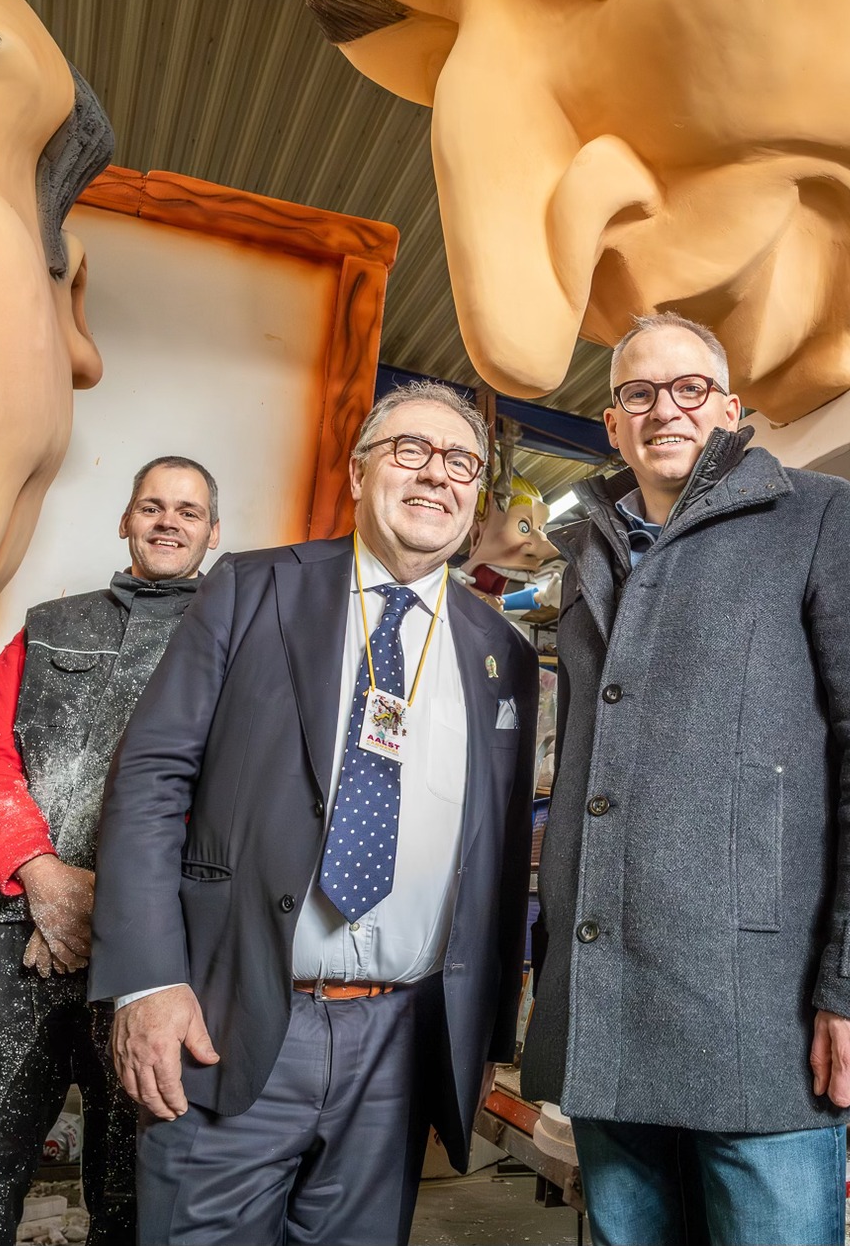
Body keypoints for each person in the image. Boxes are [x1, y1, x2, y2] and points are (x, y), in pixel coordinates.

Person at [525, 312, 850, 1246]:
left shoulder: (820, 513)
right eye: (639, 393)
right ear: (611, 421)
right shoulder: (588, 550)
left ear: (729, 408)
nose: (663, 410)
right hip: (608, 1002)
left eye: (688, 390)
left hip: (758, 1007)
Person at [91, 381, 539, 1246]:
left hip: (402, 1045)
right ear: (360, 469)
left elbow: (502, 851)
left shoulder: (501, 653)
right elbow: (151, 778)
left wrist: (482, 1039)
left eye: (460, 463)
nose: (435, 476)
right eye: (410, 450)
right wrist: (146, 980)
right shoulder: (252, 588)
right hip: (235, 1016)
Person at [0, 458, 223, 1246]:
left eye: (188, 511)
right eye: (151, 506)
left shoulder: (237, 642)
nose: (168, 522)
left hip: (152, 954)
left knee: (140, 1188)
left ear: (214, 533)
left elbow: (238, 794)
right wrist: (41, 878)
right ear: (125, 521)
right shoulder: (50, 625)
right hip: (9, 938)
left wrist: (114, 908)